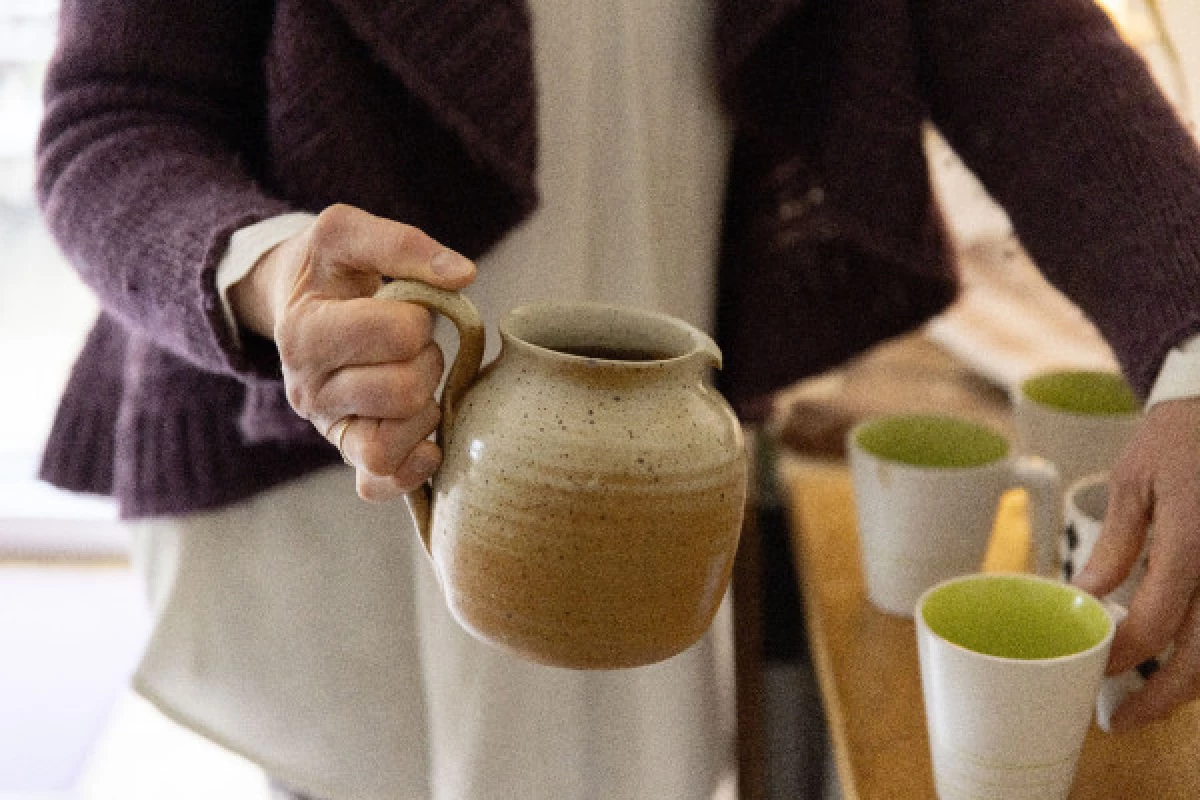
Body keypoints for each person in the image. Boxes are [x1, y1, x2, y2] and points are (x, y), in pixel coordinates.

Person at [32, 0, 1200, 797]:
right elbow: (112, 124)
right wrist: (274, 272)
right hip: (325, 494)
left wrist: (1195, 354)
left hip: (653, 496)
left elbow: (1020, 49)